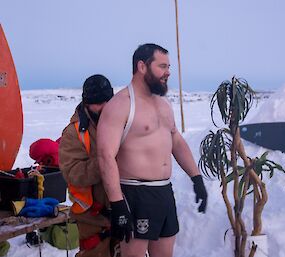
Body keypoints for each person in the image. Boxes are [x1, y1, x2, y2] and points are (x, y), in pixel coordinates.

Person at [97, 43, 208, 257]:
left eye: (169, 67)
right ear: (142, 66)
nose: (168, 73)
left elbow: (176, 141)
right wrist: (117, 203)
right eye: (162, 66)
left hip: (164, 192)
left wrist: (196, 178)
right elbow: (105, 156)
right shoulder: (120, 105)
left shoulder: (163, 104)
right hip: (135, 193)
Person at [59, 74, 119, 257]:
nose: (103, 108)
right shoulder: (73, 133)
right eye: (97, 103)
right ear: (86, 103)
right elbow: (72, 173)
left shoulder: (122, 122)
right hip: (92, 217)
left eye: (106, 101)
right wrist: (105, 162)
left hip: (123, 210)